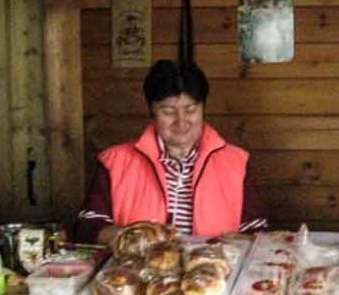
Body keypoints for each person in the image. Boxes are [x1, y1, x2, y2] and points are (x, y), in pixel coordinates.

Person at [75, 59, 266, 244]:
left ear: (203, 108)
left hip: (213, 273)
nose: (181, 122)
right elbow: (87, 227)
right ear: (152, 111)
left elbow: (256, 233)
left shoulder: (235, 163)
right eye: (168, 111)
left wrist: (226, 247)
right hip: (136, 273)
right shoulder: (116, 162)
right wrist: (133, 237)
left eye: (190, 110)